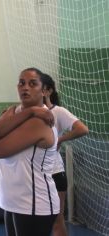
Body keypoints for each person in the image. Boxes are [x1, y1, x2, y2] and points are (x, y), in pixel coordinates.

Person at [0, 68, 60, 236]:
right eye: (21, 83)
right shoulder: (17, 112)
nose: (25, 87)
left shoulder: (39, 121)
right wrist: (28, 110)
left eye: (32, 84)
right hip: (12, 200)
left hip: (34, 203)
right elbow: (0, 131)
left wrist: (0, 126)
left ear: (44, 91)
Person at [42, 73, 89, 236]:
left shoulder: (58, 111)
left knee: (56, 218)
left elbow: (82, 129)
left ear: (48, 91)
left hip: (54, 172)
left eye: (36, 86)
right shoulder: (26, 113)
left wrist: (60, 138)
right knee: (34, 219)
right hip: (34, 175)